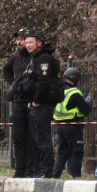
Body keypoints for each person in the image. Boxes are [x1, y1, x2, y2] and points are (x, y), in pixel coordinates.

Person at [14, 29, 61, 178]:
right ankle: (42, 170)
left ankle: (47, 172)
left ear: (39, 43)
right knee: (36, 138)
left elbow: (43, 81)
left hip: (43, 104)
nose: (27, 45)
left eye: (30, 42)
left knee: (42, 138)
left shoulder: (44, 58)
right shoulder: (36, 58)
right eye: (26, 42)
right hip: (37, 104)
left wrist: (35, 100)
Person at [51, 67, 92, 178]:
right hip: (72, 126)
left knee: (62, 153)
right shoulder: (74, 92)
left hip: (59, 125)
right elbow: (85, 111)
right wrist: (88, 103)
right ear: (75, 80)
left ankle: (55, 176)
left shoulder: (58, 90)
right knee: (76, 152)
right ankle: (75, 176)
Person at [3, 28, 32, 177]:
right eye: (18, 40)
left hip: (33, 102)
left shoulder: (36, 58)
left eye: (22, 39)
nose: (19, 42)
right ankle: (20, 170)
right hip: (18, 101)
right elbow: (6, 71)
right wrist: (14, 84)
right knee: (18, 138)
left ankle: (32, 169)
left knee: (33, 137)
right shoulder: (15, 58)